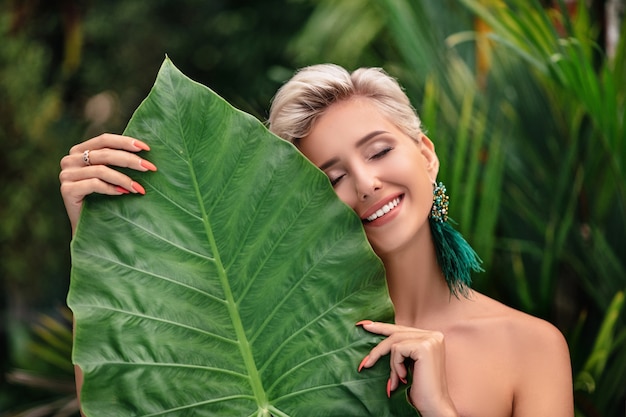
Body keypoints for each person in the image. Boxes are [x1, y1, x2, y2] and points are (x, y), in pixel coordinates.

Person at [60, 64, 574, 416]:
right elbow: (126, 396)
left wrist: (439, 409)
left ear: (426, 154)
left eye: (378, 151)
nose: (366, 183)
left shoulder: (530, 348)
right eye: (331, 178)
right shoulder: (263, 352)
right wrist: (103, 241)